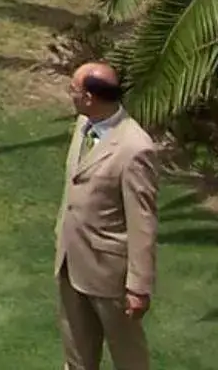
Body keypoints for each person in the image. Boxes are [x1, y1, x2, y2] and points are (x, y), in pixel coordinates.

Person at [56, 61, 160, 370]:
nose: (70, 95)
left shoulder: (135, 149)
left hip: (110, 277)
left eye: (73, 89)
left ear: (90, 97)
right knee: (76, 358)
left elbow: (143, 221)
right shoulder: (84, 123)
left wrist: (138, 287)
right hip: (70, 262)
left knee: (129, 360)